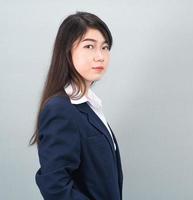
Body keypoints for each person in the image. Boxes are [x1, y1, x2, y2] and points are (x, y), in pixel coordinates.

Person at [29, 11, 123, 200]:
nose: (100, 56)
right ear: (67, 51)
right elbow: (55, 185)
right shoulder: (60, 109)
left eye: (105, 47)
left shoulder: (90, 106)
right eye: (89, 46)